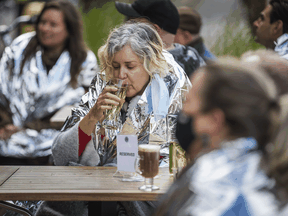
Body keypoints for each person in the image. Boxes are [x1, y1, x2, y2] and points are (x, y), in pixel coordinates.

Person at [35, 21, 191, 216]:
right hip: (98, 193)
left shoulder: (170, 91)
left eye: (130, 66)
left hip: (144, 197)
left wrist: (122, 156)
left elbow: (172, 164)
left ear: (151, 64)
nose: (120, 75)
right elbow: (61, 156)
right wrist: (92, 117)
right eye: (115, 66)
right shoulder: (105, 83)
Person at [153, 58, 288, 215]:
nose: (182, 111)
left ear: (214, 119)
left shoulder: (211, 182)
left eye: (187, 101)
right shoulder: (268, 171)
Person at [0, 0, 97, 163]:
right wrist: (5, 123)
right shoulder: (19, 48)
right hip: (8, 140)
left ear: (69, 29)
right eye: (42, 22)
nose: (45, 28)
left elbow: (86, 110)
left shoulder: (84, 61)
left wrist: (32, 127)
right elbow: (2, 87)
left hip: (52, 145)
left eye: (53, 24)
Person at [115, 0, 205, 78]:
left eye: (133, 23)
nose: (125, 28)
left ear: (154, 30)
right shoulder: (194, 59)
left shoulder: (153, 70)